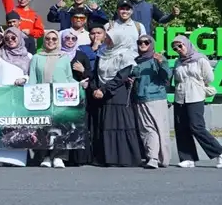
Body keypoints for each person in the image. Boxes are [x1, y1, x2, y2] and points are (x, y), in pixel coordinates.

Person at [101, 34, 172, 169]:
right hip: (140, 98)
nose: (143, 44)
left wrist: (162, 62)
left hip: (155, 98)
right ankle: (153, 158)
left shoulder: (156, 59)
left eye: (146, 42)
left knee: (159, 129)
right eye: (140, 42)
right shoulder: (137, 61)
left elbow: (166, 78)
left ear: (152, 44)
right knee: (147, 129)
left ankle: (160, 158)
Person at [171, 35, 222, 169]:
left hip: (195, 96)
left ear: (187, 44)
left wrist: (197, 83)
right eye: (175, 48)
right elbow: (176, 79)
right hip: (180, 97)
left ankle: (220, 151)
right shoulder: (178, 62)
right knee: (181, 128)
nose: (179, 49)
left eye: (180, 46)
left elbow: (209, 77)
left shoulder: (200, 59)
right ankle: (187, 158)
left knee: (196, 126)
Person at [91, 28, 143, 167]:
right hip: (102, 94)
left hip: (118, 94)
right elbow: (96, 73)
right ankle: (107, 158)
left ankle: (125, 158)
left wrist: (104, 89)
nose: (106, 39)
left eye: (109, 37)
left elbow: (121, 77)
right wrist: (96, 88)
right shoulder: (102, 53)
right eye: (107, 37)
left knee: (120, 125)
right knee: (106, 125)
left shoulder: (125, 55)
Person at [28, 30, 76, 168]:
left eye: (54, 39)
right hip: (42, 97)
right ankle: (45, 157)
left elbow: (68, 77)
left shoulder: (64, 57)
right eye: (47, 38)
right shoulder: (37, 57)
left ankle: (59, 156)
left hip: (61, 97)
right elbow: (32, 78)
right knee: (44, 127)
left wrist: (78, 85)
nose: (51, 41)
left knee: (61, 126)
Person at [0, 26, 32, 167]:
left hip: (19, 95)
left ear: (19, 38)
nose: (10, 41)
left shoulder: (29, 56)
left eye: (13, 38)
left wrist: (25, 78)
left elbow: (32, 75)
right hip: (1, 96)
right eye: (7, 38)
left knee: (17, 126)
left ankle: (16, 158)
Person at [69, 20, 107, 166]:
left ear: (104, 35)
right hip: (87, 89)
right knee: (85, 123)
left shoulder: (108, 48)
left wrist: (97, 49)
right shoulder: (83, 49)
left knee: (100, 124)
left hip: (103, 89)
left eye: (99, 33)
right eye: (92, 33)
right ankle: (85, 155)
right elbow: (78, 69)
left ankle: (100, 155)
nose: (95, 36)